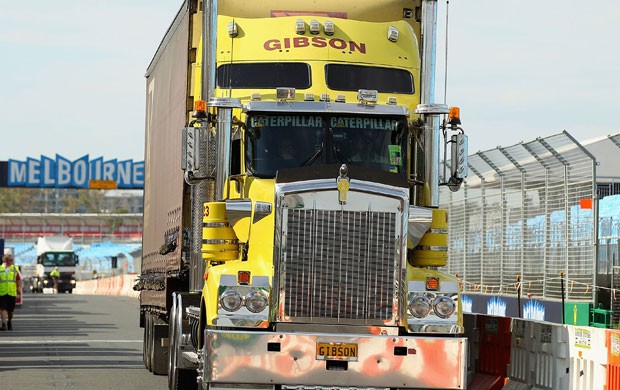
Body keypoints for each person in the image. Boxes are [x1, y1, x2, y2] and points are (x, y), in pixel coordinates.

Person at [0, 253, 22, 331]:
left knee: (10, 310)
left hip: (12, 292)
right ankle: (3, 324)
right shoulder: (0, 269)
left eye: (12, 260)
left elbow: (19, 279)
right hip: (2, 292)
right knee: (3, 308)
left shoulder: (15, 269)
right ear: (5, 260)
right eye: (10, 260)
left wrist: (19, 287)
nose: (12, 261)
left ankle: (9, 321)